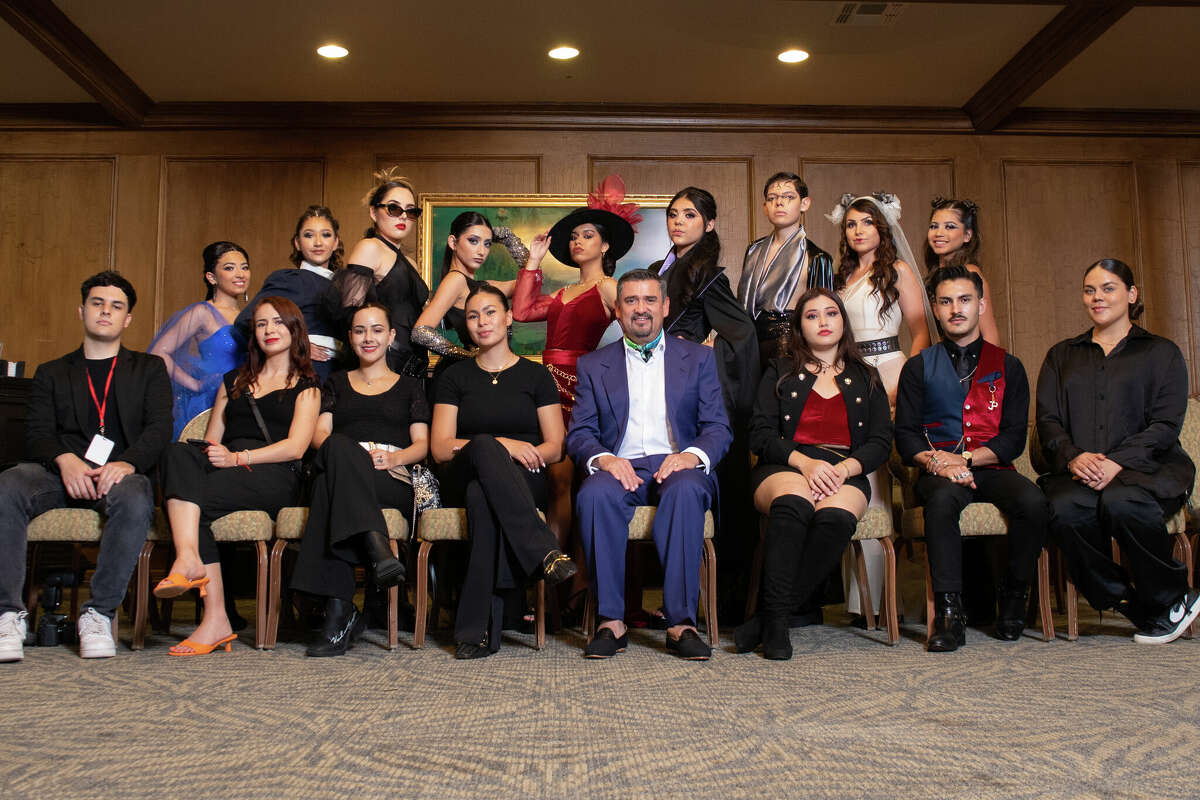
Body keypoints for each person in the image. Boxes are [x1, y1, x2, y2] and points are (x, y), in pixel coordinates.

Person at [0, 271, 172, 662]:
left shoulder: (149, 369)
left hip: (120, 477)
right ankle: (8, 614)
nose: (105, 312)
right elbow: (37, 433)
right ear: (82, 311)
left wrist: (126, 462)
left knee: (135, 494)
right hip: (58, 475)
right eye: (98, 303)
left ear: (127, 319)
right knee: (8, 483)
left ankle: (98, 614)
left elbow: (160, 429)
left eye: (116, 306)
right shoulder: (52, 372)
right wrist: (65, 461)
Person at [569, 269, 733, 661]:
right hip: (619, 466)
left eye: (649, 300)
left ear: (665, 306)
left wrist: (690, 457)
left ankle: (681, 623)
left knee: (687, 489)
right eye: (631, 301)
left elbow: (717, 428)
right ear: (617, 310)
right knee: (593, 495)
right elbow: (580, 434)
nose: (640, 309)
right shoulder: (594, 365)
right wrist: (605, 459)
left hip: (678, 465)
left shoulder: (699, 358)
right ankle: (611, 621)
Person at [1037, 258, 1200, 645]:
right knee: (1062, 509)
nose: (1097, 297)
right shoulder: (1062, 355)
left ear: (1130, 295)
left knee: (1122, 501)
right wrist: (1074, 456)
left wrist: (1116, 462)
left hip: (1146, 470)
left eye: (1108, 288)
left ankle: (1171, 595)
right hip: (1079, 470)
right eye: (1090, 290)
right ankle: (1130, 601)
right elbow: (1048, 420)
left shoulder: (1162, 353)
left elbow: (1164, 426)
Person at [894, 266, 1049, 651]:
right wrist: (936, 462)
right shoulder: (917, 367)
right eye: (946, 302)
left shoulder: (1009, 366)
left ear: (980, 305)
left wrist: (965, 459)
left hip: (990, 465)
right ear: (935, 307)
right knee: (943, 502)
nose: (955, 309)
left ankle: (1013, 603)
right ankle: (949, 616)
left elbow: (1013, 436)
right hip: (938, 471)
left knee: (1033, 501)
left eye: (964, 300)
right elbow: (906, 434)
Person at [155, 297, 320, 656]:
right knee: (176, 454)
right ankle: (190, 563)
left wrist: (237, 458)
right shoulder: (233, 381)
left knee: (190, 502)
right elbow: (212, 438)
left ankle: (214, 616)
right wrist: (217, 455)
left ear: (294, 329)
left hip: (274, 474)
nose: (269, 330)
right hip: (226, 466)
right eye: (261, 324)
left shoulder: (307, 385)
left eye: (278, 322)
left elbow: (296, 447)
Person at [735, 288, 891, 659]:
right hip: (787, 464)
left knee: (836, 521)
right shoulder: (779, 371)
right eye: (812, 315)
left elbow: (881, 440)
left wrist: (843, 469)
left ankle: (770, 618)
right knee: (792, 508)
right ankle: (776, 625)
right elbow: (760, 434)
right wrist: (806, 464)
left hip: (844, 469)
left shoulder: (866, 375)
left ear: (843, 322)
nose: (823, 321)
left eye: (831, 313)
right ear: (798, 326)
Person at [430, 285, 577, 659]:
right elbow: (441, 446)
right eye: (474, 315)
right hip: (463, 472)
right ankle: (542, 550)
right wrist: (502, 445)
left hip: (523, 478)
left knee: (485, 496)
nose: (482, 322)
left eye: (490, 312)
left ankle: (476, 631)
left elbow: (556, 446)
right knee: (481, 446)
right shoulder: (454, 377)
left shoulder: (536, 377)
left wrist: (513, 455)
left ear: (509, 317)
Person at [290, 303, 429, 657]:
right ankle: (375, 546)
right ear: (350, 338)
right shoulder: (335, 381)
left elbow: (423, 444)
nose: (369, 338)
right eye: (360, 330)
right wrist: (352, 457)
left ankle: (338, 612)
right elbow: (320, 435)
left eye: (377, 330)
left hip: (390, 476)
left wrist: (395, 457)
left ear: (391, 336)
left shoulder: (411, 386)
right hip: (345, 466)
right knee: (336, 453)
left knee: (327, 489)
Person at [650, 187, 760, 625]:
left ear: (709, 224)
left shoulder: (708, 274)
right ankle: (682, 598)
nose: (678, 221)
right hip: (662, 391)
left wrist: (694, 349)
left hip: (694, 397)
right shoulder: (669, 266)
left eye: (690, 215)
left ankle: (722, 604)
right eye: (673, 214)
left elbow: (742, 334)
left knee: (716, 497)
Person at [828, 192, 934, 624]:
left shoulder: (899, 271)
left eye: (866, 223)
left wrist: (903, 383)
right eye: (851, 224)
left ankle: (878, 600)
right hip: (847, 375)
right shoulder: (844, 274)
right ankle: (858, 600)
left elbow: (921, 332)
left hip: (888, 368)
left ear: (882, 227)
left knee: (877, 480)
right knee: (850, 475)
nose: (857, 231)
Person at [513, 175, 637, 420]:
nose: (578, 241)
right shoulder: (562, 293)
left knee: (575, 449)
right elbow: (521, 312)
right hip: (546, 382)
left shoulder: (608, 286)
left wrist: (608, 371)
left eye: (588, 235)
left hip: (580, 383)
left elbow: (638, 331)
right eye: (573, 237)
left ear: (604, 246)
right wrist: (535, 259)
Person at [412, 211, 519, 399]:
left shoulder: (480, 286)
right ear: (453, 243)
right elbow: (420, 331)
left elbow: (532, 281)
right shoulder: (456, 280)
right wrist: (468, 356)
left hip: (478, 372)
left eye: (487, 244)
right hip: (460, 376)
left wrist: (510, 239)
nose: (482, 251)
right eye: (473, 241)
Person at [334, 168, 430, 377]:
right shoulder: (370, 248)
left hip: (415, 364)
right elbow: (348, 315)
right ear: (373, 212)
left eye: (411, 211)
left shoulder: (411, 263)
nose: (403, 216)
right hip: (382, 362)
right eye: (394, 209)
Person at [150, 241, 249, 438]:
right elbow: (158, 353)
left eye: (245, 267)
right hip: (210, 402)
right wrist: (194, 384)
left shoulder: (250, 314)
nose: (240, 274)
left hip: (243, 398)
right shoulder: (203, 312)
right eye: (230, 268)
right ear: (211, 277)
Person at [738, 171, 836, 367]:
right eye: (772, 198)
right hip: (749, 342)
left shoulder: (817, 257)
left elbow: (826, 317)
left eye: (789, 197)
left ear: (804, 203)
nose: (779, 203)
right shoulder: (753, 250)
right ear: (765, 207)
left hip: (791, 344)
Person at [237, 205, 345, 380]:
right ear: (297, 243)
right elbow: (245, 321)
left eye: (326, 235)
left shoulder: (345, 284)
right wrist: (297, 345)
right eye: (309, 235)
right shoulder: (289, 279)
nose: (318, 242)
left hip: (341, 373)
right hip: (308, 371)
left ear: (336, 242)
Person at [925, 197, 1000, 345]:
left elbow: (990, 335)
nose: (939, 233)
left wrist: (984, 368)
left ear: (967, 235)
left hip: (967, 363)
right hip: (938, 360)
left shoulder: (970, 274)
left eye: (950, 227)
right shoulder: (930, 276)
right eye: (934, 226)